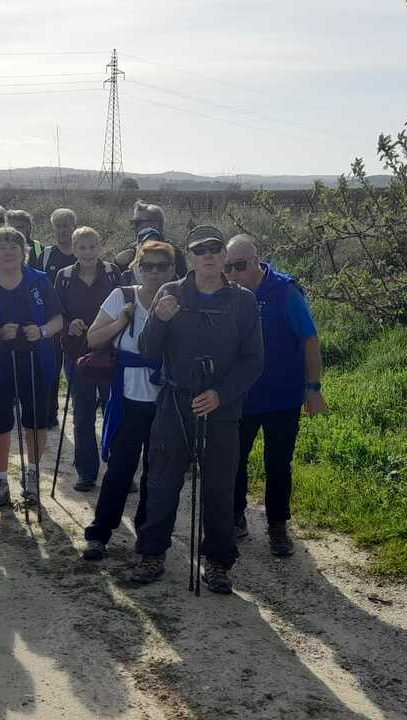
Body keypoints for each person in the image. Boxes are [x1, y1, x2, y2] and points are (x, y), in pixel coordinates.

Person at [126, 225, 263, 594]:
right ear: (190, 256)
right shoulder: (170, 293)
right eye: (199, 249)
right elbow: (148, 350)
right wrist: (159, 320)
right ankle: (152, 553)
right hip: (175, 402)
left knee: (219, 488)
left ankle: (218, 562)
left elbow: (253, 360)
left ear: (223, 256)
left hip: (221, 408)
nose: (208, 255)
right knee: (162, 482)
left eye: (214, 248)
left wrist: (220, 394)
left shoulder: (243, 301)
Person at [223, 235, 325, 556]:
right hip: (242, 395)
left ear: (257, 261)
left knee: (278, 463)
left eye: (240, 265)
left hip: (282, 397)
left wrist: (314, 388)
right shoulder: (227, 293)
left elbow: (310, 339)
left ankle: (278, 526)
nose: (233, 273)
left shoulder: (286, 292)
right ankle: (235, 517)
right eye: (228, 267)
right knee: (234, 460)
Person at [79, 240, 175, 560]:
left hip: (165, 400)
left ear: (172, 270)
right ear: (136, 268)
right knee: (120, 469)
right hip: (128, 398)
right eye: (147, 266)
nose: (154, 272)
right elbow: (93, 339)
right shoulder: (122, 296)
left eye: (161, 266)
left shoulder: (178, 301)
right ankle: (100, 534)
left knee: (156, 474)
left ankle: (147, 537)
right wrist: (121, 321)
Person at [0, 226, 64, 508]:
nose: (8, 252)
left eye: (14, 246)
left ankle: (33, 476)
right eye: (1, 247)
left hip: (36, 362)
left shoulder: (40, 281)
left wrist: (42, 331)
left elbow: (58, 319)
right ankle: (1, 481)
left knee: (35, 422)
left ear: (24, 251)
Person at [53, 226, 121, 492]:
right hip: (76, 354)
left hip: (110, 354)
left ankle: (118, 469)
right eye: (82, 247)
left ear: (100, 246)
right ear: (74, 249)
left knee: (113, 412)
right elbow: (56, 313)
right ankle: (86, 472)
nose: (88, 252)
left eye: (92, 246)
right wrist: (69, 324)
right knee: (82, 415)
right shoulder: (64, 277)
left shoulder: (112, 273)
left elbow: (125, 307)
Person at [113, 201, 187, 281]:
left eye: (137, 223)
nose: (133, 227)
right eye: (132, 223)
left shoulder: (173, 253)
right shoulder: (130, 250)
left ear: (156, 224)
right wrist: (118, 264)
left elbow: (183, 283)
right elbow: (119, 282)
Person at [36, 208, 79, 278]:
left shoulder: (84, 254)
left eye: (65, 226)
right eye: (58, 226)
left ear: (74, 227)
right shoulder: (46, 256)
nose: (62, 230)